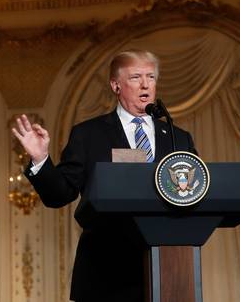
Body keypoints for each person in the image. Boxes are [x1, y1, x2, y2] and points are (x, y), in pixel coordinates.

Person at [12, 50, 197, 302]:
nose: (145, 84)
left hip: (170, 270)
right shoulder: (89, 135)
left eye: (151, 77)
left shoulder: (179, 138)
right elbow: (60, 194)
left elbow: (194, 193)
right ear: (115, 85)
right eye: (135, 77)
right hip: (105, 273)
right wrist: (41, 159)